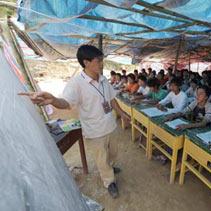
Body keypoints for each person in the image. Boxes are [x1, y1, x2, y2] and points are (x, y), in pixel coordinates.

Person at [19, 45, 129, 198]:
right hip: (95, 131)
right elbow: (66, 103)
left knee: (113, 152)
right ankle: (109, 181)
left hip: (110, 126)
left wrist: (122, 114)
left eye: (102, 60)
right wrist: (54, 100)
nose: (102, 64)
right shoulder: (76, 83)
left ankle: (109, 168)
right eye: (98, 61)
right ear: (86, 62)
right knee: (101, 159)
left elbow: (111, 99)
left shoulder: (103, 79)